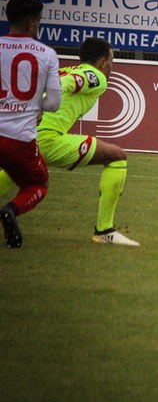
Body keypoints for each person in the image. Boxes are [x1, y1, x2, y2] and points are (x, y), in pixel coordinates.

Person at [1, 37, 140, 246]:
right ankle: (105, 230)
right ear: (103, 62)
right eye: (112, 61)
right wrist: (40, 106)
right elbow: (67, 84)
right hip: (48, 137)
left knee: (16, 170)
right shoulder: (96, 75)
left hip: (25, 134)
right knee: (116, 157)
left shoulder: (66, 70)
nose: (112, 67)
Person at [0, 0, 62, 249]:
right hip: (19, 139)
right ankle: (11, 210)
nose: (38, 26)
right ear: (30, 24)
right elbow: (54, 103)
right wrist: (35, 108)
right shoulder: (46, 54)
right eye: (38, 21)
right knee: (38, 183)